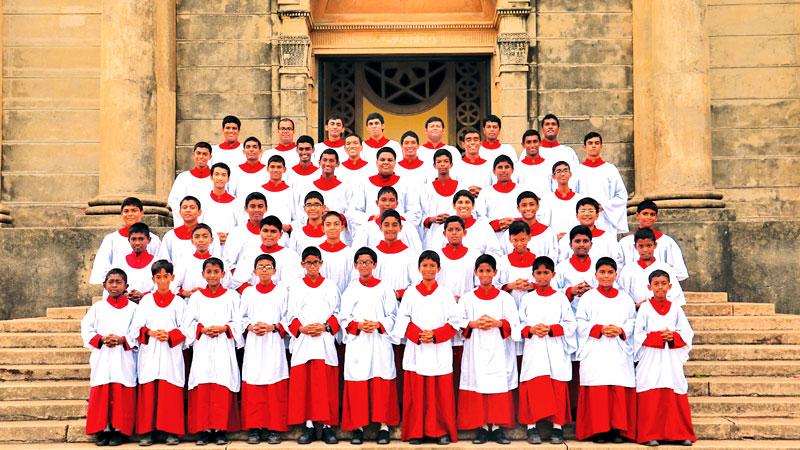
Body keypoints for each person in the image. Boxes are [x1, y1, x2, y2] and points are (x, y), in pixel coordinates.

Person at [393, 251, 464, 444]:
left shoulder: (446, 293)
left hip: (439, 349)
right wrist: (417, 334)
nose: (428, 269)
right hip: (417, 348)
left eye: (432, 266)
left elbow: (455, 322)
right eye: (425, 265)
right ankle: (416, 431)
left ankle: (439, 431)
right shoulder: (410, 293)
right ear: (419, 268)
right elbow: (402, 320)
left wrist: (435, 335)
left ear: (439, 269)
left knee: (439, 394)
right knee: (416, 393)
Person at [339, 247, 400, 444]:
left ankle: (383, 426)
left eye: (368, 262)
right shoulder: (351, 289)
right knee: (358, 383)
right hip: (359, 343)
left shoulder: (384, 288)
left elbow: (393, 315)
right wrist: (356, 325)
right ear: (355, 265)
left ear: (374, 264)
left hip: (379, 341)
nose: (364, 265)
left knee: (381, 381)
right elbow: (343, 318)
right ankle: (358, 427)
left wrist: (379, 324)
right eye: (360, 262)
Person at [458, 254, 519, 444]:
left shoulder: (505, 298)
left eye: (488, 271)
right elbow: (457, 321)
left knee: (498, 384)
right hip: (475, 348)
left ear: (495, 273)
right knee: (478, 384)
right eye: (481, 271)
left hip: (498, 348)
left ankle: (498, 427)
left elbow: (515, 323)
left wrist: (498, 322)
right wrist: (473, 323)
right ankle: (482, 427)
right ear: (476, 272)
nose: (485, 275)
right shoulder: (467, 298)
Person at [574, 257, 637, 443]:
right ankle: (598, 430)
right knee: (598, 390)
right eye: (602, 272)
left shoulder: (625, 298)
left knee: (617, 388)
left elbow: (632, 321)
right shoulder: (588, 298)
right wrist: (599, 329)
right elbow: (580, 321)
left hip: (617, 348)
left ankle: (617, 429)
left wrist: (621, 330)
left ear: (616, 274)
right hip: (596, 348)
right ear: (595, 275)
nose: (606, 276)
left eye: (610, 272)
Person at [182, 258, 243, 445]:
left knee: (222, 383)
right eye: (209, 272)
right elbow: (187, 323)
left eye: (216, 271)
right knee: (202, 383)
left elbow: (239, 321)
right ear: (203, 275)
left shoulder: (232, 296)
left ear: (223, 274)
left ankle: (220, 429)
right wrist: (201, 328)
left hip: (223, 345)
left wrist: (225, 328)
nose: (212, 275)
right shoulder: (197, 297)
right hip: (203, 346)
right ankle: (203, 430)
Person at [633, 270, 696, 446]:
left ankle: (679, 433)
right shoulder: (645, 307)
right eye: (656, 284)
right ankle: (649, 434)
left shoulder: (675, 308)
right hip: (651, 357)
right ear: (649, 287)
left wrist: (674, 336)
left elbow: (687, 332)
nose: (660, 287)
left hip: (670, 357)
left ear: (670, 286)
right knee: (651, 390)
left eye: (663, 283)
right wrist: (658, 337)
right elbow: (638, 334)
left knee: (674, 389)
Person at [517, 256, 576, 445]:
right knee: (533, 386)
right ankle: (531, 427)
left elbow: (570, 324)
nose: (542, 277)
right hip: (534, 349)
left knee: (556, 387)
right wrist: (531, 329)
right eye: (539, 273)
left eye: (546, 273)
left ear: (553, 274)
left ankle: (557, 429)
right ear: (533, 274)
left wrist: (551, 329)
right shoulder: (527, 298)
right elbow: (519, 323)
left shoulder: (560, 298)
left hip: (555, 348)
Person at [287, 246, 342, 444]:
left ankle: (327, 426)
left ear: (321, 263)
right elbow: (289, 314)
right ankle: (308, 425)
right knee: (306, 385)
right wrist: (301, 329)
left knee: (325, 384)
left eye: (316, 262)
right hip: (304, 341)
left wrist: (325, 326)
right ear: (302, 264)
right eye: (308, 262)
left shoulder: (330, 285)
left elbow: (338, 313)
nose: (312, 266)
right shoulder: (296, 286)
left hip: (324, 340)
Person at [131, 260, 186, 446]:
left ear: (172, 277)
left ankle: (172, 431)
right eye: (158, 277)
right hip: (151, 350)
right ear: (153, 279)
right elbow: (136, 327)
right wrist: (150, 333)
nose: (162, 281)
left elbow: (186, 327)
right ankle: (147, 432)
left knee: (170, 390)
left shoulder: (179, 302)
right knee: (149, 390)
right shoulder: (146, 301)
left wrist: (171, 335)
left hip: (170, 351)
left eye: (166, 277)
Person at [81, 269, 137, 447]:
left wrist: (122, 339)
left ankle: (120, 431)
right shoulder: (97, 308)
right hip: (103, 357)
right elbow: (87, 329)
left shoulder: (134, 309)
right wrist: (102, 339)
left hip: (123, 357)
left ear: (126, 286)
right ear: (104, 285)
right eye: (111, 281)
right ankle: (103, 430)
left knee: (121, 392)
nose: (114, 285)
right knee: (102, 393)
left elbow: (137, 331)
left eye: (118, 282)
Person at [240, 254, 290, 445]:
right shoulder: (248, 293)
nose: (264, 270)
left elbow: (288, 316)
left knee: (273, 382)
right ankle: (255, 427)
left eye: (268, 267)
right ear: (254, 271)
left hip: (273, 342)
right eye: (260, 267)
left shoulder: (282, 292)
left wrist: (273, 327)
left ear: (275, 271)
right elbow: (240, 317)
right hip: (254, 342)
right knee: (254, 382)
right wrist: (250, 326)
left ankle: (274, 427)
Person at [89, 197, 161, 286]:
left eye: (134, 210)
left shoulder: (153, 239)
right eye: (126, 211)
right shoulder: (111, 239)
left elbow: (159, 267)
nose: (130, 214)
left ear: (142, 213)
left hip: (146, 289)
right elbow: (102, 266)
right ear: (121, 214)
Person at [573, 131, 629, 234]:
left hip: (605, 218)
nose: (593, 146)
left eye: (597, 143)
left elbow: (621, 196)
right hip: (583, 219)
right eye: (590, 143)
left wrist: (605, 205)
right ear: (584, 147)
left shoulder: (610, 169)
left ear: (601, 146)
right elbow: (573, 195)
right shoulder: (577, 171)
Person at [295, 149, 355, 243]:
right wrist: (316, 213)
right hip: (310, 235)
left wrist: (332, 215)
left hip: (336, 234)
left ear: (337, 164)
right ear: (319, 162)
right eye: (325, 160)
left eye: (331, 161)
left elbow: (352, 214)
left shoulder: (346, 188)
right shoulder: (308, 187)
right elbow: (300, 212)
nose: (327, 163)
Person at [619, 201, 689, 281]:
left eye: (652, 214)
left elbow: (678, 271)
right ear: (637, 216)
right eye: (645, 214)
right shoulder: (625, 243)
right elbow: (618, 269)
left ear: (656, 217)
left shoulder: (667, 242)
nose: (649, 217)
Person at [354, 146, 421, 227]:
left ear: (395, 163)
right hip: (372, 231)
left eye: (390, 160)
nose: (386, 162)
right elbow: (355, 212)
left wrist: (396, 220)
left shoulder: (405, 183)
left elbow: (414, 212)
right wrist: (372, 219)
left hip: (398, 231)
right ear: (376, 162)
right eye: (382, 160)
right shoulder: (365, 183)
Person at [618, 228, 686, 308]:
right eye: (641, 246)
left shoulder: (665, 268)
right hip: (636, 314)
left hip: (661, 312)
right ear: (635, 247)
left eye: (649, 245)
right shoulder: (628, 269)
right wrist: (635, 306)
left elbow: (675, 295)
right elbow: (622, 294)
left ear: (655, 245)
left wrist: (654, 302)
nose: (645, 250)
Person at [426, 190, 502, 258]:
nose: (463, 206)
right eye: (460, 202)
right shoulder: (443, 228)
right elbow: (435, 253)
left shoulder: (484, 227)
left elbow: (495, 252)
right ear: (454, 205)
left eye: (467, 202)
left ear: (473, 206)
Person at [232, 216, 302, 290]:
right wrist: (255, 294)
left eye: (273, 231)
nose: (269, 235)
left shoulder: (290, 255)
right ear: (260, 232)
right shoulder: (250, 252)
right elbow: (238, 282)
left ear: (281, 234)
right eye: (265, 231)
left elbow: (292, 285)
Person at [351, 186, 423, 253]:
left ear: (397, 203)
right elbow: (357, 253)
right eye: (383, 200)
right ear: (377, 203)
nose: (387, 204)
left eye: (392, 200)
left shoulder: (408, 227)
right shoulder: (366, 228)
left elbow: (417, 252)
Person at [556, 197, 624, 268]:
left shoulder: (608, 238)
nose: (587, 214)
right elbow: (561, 261)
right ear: (577, 216)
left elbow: (617, 262)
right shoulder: (567, 238)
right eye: (583, 211)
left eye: (591, 211)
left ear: (597, 215)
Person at [420, 148, 466, 246]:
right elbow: (421, 213)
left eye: (446, 161)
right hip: (433, 233)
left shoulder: (460, 186)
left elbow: (466, 210)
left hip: (455, 232)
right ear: (434, 165)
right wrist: (432, 219)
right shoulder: (426, 188)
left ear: (451, 164)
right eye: (439, 162)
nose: (442, 164)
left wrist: (453, 218)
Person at [372, 209, 420, 301]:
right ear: (380, 227)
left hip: (403, 303)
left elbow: (416, 283)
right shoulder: (373, 254)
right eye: (386, 225)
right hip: (378, 303)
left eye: (394, 225)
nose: (390, 229)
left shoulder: (410, 255)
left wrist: (399, 294)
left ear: (400, 227)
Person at [157, 196, 221, 263]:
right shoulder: (170, 236)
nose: (188, 210)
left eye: (192, 207)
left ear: (199, 212)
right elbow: (164, 260)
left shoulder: (210, 233)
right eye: (184, 208)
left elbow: (216, 258)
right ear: (180, 212)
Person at [172, 223, 228, 298]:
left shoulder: (220, 262)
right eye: (197, 237)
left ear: (211, 240)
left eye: (205, 237)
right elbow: (172, 284)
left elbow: (228, 285)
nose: (201, 240)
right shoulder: (184, 261)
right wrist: (184, 292)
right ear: (192, 240)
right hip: (189, 302)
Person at [475, 155, 525, 237]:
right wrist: (497, 224)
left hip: (518, 236)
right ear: (494, 171)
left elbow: (529, 212)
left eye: (507, 167)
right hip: (494, 236)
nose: (503, 170)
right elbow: (480, 216)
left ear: (512, 170)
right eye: (500, 167)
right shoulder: (485, 192)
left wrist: (515, 223)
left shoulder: (522, 190)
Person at [499, 191, 559, 259]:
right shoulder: (509, 233)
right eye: (524, 205)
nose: (528, 208)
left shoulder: (548, 233)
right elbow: (503, 256)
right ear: (518, 208)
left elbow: (553, 257)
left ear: (538, 206)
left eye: (531, 204)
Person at [167, 142, 213, 227]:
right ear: (193, 155)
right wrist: (189, 219)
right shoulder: (183, 177)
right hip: (187, 224)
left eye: (205, 154)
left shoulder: (215, 179)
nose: (201, 157)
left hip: (209, 224)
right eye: (198, 153)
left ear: (210, 157)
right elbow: (174, 201)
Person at [554, 225, 598, 312]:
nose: (582, 244)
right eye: (577, 241)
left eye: (585, 241)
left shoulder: (598, 266)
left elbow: (607, 289)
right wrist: (570, 291)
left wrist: (593, 292)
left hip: (593, 314)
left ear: (591, 244)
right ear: (570, 245)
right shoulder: (561, 267)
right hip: (568, 314)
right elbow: (553, 292)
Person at [111, 222, 156, 303]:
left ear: (149, 240)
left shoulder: (156, 262)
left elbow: (161, 286)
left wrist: (143, 295)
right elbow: (113, 283)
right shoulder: (120, 262)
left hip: (149, 305)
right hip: (125, 306)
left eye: (141, 239)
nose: (137, 243)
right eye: (133, 239)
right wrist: (125, 294)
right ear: (129, 240)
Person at [539, 161, 583, 240]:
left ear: (570, 174)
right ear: (553, 176)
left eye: (565, 170)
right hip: (555, 242)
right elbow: (543, 224)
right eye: (558, 171)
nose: (562, 174)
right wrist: (554, 237)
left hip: (576, 242)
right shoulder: (547, 199)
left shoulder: (580, 199)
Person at [200, 162, 239, 247]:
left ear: (228, 179)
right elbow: (198, 224)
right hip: (208, 245)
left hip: (229, 245)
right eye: (216, 174)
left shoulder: (236, 203)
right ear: (211, 177)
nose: (220, 178)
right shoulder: (203, 200)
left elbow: (240, 226)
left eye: (223, 175)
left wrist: (229, 236)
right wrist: (212, 235)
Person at [254, 155, 296, 230]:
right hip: (263, 232)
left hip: (283, 234)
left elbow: (296, 216)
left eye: (279, 167)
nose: (275, 170)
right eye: (272, 167)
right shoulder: (260, 190)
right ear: (267, 169)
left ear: (284, 169)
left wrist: (289, 227)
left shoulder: (292, 191)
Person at [318, 211, 354, 294]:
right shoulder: (317, 252)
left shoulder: (349, 253)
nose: (332, 227)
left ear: (342, 227)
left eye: (336, 224)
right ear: (322, 228)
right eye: (328, 224)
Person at [454, 127, 493, 197]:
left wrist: (482, 192)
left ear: (480, 143)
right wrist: (466, 193)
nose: (472, 142)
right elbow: (453, 189)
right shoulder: (456, 166)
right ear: (463, 144)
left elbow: (494, 189)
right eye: (468, 140)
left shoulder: (489, 165)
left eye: (476, 139)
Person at [515, 129, 552, 199]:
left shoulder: (549, 165)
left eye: (535, 141)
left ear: (540, 143)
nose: (532, 145)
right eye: (528, 142)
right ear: (523, 145)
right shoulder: (517, 167)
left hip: (546, 205)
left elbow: (554, 188)